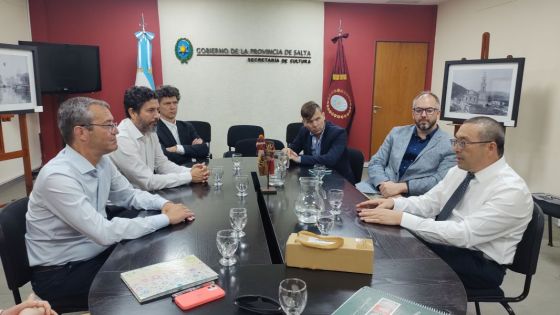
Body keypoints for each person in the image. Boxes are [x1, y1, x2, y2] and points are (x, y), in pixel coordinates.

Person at [25, 97, 195, 311]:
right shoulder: (58, 177)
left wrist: (165, 204)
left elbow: (130, 195)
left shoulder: (102, 161)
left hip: (95, 252)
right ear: (81, 133)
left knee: (155, 255)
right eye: (108, 125)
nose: (116, 131)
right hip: (61, 274)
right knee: (151, 283)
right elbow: (104, 232)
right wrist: (165, 218)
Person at [356, 116, 533, 291]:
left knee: (398, 257)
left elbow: (463, 235)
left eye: (463, 143)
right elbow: (429, 203)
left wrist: (401, 218)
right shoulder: (460, 171)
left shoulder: (511, 190)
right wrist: (394, 204)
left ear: (490, 147)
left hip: (480, 263)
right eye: (455, 141)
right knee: (387, 239)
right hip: (450, 244)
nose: (455, 148)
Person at [110, 86, 209, 191]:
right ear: (133, 113)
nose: (157, 115)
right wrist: (189, 176)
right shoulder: (122, 139)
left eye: (157, 110)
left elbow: (163, 166)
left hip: (145, 197)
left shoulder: (150, 131)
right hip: (123, 204)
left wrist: (191, 171)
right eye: (151, 110)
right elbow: (148, 182)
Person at [364, 91, 455, 197]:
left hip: (414, 199)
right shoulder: (396, 133)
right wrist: (383, 184)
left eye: (429, 110)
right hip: (378, 189)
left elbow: (439, 180)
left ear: (438, 113)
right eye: (419, 110)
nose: (423, 115)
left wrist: (402, 187)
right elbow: (376, 162)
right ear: (413, 113)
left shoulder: (450, 144)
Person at [283, 101, 353, 182]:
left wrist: (299, 158)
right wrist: (287, 151)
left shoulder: (339, 133)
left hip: (339, 181)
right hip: (313, 178)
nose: (315, 125)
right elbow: (293, 150)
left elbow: (330, 159)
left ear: (323, 116)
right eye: (310, 122)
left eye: (317, 119)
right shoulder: (304, 131)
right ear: (304, 123)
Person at [155, 85, 209, 166]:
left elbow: (204, 150)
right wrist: (192, 153)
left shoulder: (187, 126)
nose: (172, 107)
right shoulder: (154, 130)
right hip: (171, 174)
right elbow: (166, 157)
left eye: (175, 103)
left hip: (195, 170)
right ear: (158, 107)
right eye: (167, 103)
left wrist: (177, 148)